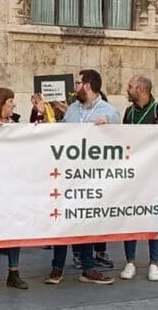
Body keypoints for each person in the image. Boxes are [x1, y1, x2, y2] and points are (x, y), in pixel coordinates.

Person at [46, 70, 119, 286]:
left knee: (86, 221)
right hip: (69, 174)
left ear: (87, 85)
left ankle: (88, 267)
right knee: (62, 221)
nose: (74, 87)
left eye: (77, 83)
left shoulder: (109, 111)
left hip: (91, 176)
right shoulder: (72, 110)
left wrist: (109, 124)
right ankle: (56, 267)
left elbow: (120, 133)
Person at [119, 74, 158, 282]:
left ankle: (153, 263)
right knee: (130, 216)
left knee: (155, 216)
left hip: (155, 177)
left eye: (130, 86)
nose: (127, 89)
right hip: (133, 175)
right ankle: (130, 262)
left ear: (141, 90)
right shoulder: (129, 112)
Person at [0, 88, 28, 291]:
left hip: (15, 185)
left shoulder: (16, 127)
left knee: (15, 227)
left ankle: (14, 271)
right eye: (10, 101)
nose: (13, 105)